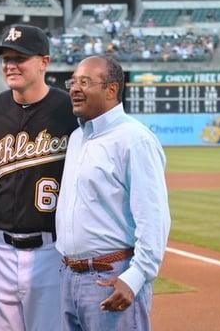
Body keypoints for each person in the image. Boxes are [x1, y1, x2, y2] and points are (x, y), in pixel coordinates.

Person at [0, 24, 78, 331]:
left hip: (52, 250)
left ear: (44, 62)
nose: (10, 65)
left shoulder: (70, 111)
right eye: (5, 58)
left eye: (20, 57)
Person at [56, 55, 171, 331]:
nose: (74, 88)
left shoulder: (135, 139)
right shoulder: (77, 137)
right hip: (69, 275)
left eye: (85, 82)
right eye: (73, 81)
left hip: (110, 277)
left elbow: (153, 217)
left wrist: (136, 276)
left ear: (111, 89)